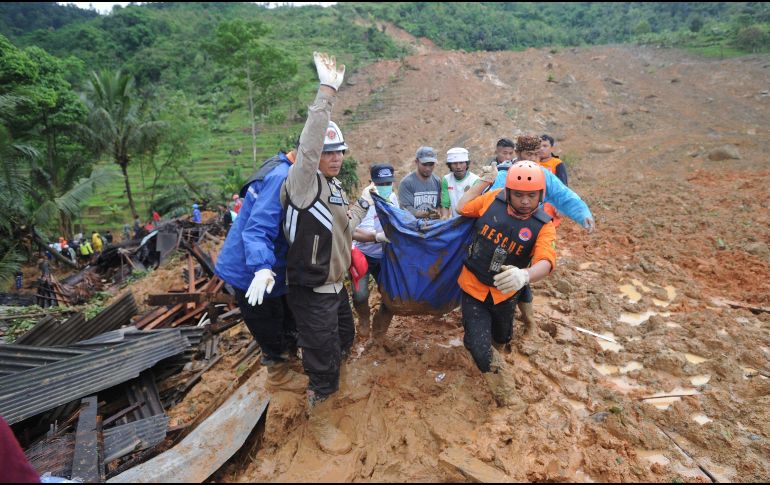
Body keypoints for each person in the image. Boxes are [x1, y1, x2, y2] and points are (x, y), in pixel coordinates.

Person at [280, 51, 367, 455]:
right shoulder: (303, 183)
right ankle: (320, 416)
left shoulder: (333, 187)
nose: (334, 158)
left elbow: (342, 226)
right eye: (328, 152)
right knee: (322, 356)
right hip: (312, 289)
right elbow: (310, 144)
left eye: (339, 152)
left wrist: (365, 208)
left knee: (345, 338)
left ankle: (332, 388)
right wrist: (326, 93)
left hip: (335, 287)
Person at [456, 160, 557, 411]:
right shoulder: (492, 200)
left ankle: (493, 352)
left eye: (531, 196)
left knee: (502, 337)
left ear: (541, 195)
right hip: (473, 285)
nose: (525, 201)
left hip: (506, 292)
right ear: (508, 192)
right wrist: (483, 181)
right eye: (519, 195)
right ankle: (507, 395)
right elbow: (462, 207)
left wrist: (525, 275)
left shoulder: (543, 226)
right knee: (478, 345)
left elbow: (546, 261)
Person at [215, 148, 306, 395]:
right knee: (268, 319)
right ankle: (278, 375)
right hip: (252, 266)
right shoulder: (281, 178)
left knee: (286, 314)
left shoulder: (287, 168)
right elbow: (258, 230)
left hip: (272, 262)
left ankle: (290, 362)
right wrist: (261, 267)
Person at [352, 163, 398, 337]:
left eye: (388, 183)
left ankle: (380, 327)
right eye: (380, 184)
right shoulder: (366, 201)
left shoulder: (392, 197)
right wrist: (378, 236)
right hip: (363, 254)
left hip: (385, 255)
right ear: (372, 182)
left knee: (391, 295)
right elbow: (356, 233)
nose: (385, 187)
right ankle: (364, 317)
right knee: (360, 295)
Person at [398, 146, 442, 220]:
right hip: (413, 225)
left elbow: (440, 205)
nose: (428, 168)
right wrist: (426, 214)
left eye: (431, 164)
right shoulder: (406, 183)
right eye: (424, 164)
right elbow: (406, 209)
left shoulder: (437, 181)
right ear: (416, 162)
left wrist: (438, 213)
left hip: (434, 225)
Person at [440, 147, 480, 218]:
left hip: (471, 220)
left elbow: (477, 205)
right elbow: (445, 205)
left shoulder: (475, 180)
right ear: (450, 165)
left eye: (461, 163)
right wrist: (444, 217)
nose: (458, 166)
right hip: (455, 221)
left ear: (466, 164)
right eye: (454, 163)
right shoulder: (446, 180)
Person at [537, 134, 567, 227]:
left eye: (545, 146)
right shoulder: (533, 162)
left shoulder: (557, 163)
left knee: (549, 229)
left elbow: (563, 186)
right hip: (534, 203)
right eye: (539, 146)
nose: (541, 149)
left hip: (550, 205)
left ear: (552, 148)